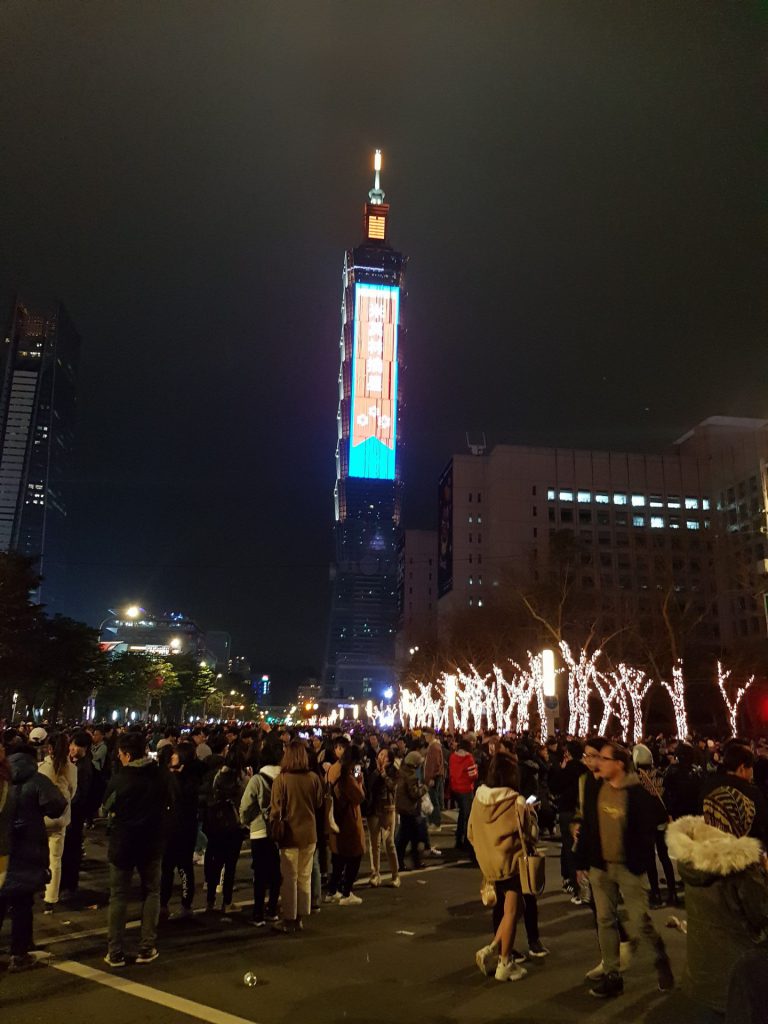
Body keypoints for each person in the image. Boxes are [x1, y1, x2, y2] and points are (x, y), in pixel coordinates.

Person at [575, 741, 674, 999]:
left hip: (629, 867)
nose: (599, 763)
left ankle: (660, 956)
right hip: (601, 866)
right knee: (605, 920)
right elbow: (588, 825)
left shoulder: (638, 793)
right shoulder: (596, 788)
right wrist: (581, 862)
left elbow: (650, 828)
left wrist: (639, 859)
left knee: (640, 920)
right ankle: (612, 974)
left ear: (619, 764)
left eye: (604, 759)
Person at [667, 785, 768, 1017]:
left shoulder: (690, 853)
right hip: (736, 971)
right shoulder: (741, 867)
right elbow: (761, 914)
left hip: (701, 968)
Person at [103, 731, 171, 967]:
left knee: (119, 896)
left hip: (124, 842)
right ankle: (147, 946)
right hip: (152, 842)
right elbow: (170, 802)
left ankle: (115, 951)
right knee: (152, 892)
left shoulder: (120, 779)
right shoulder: (161, 776)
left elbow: (106, 808)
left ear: (128, 755)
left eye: (121, 754)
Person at [469, 752, 535, 983]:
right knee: (512, 911)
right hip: (512, 862)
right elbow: (528, 834)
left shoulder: (479, 797)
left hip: (489, 863)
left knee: (512, 912)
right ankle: (504, 962)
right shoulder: (515, 800)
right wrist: (531, 812)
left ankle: (492, 948)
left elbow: (470, 832)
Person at [0, 743, 66, 971]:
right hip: (28, 849)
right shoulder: (37, 780)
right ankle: (19, 954)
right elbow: (57, 805)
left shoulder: (3, 779)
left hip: (2, 851)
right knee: (22, 904)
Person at [269, 738, 323, 933]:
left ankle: (288, 918)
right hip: (309, 833)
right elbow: (318, 804)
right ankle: (300, 916)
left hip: (289, 834)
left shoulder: (281, 780)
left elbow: (275, 810)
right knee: (304, 876)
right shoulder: (313, 778)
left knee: (289, 877)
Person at [239, 738, 282, 926]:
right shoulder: (284, 778)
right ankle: (273, 909)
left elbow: (245, 806)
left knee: (260, 873)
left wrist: (246, 822)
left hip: (259, 830)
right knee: (275, 872)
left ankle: (258, 914)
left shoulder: (257, 780)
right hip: (279, 830)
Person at [203, 741, 248, 912]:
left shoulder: (218, 777)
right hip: (234, 826)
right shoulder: (242, 780)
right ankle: (227, 902)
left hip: (216, 824)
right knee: (230, 866)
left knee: (216, 862)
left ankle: (210, 901)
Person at [632, 742, 678, 908]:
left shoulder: (636, 777)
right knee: (664, 856)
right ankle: (672, 892)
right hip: (661, 819)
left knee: (650, 858)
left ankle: (656, 893)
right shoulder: (660, 774)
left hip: (645, 823)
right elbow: (668, 796)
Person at [159, 741, 200, 919]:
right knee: (174, 868)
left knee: (178, 868)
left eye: (175, 754)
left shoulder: (182, 778)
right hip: (180, 828)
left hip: (178, 828)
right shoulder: (188, 776)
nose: (172, 756)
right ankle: (172, 904)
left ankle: (178, 904)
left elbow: (177, 798)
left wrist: (173, 775)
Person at [38, 731, 77, 914]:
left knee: (40, 855)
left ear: (50, 748)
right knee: (55, 859)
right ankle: (51, 899)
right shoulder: (72, 769)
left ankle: (38, 885)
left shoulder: (42, 768)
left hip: (43, 817)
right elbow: (73, 792)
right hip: (61, 818)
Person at [699, 742, 768, 845]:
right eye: (750, 768)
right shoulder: (751, 792)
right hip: (743, 852)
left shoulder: (708, 785)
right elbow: (763, 825)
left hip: (711, 848)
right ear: (742, 768)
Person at [549, 739, 588, 901]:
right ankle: (575, 882)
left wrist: (559, 769)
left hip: (566, 811)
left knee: (568, 848)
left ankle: (572, 882)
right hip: (580, 811)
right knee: (577, 847)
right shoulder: (586, 770)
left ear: (568, 753)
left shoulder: (567, 770)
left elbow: (555, 786)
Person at [326, 745, 366, 905]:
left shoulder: (332, 770)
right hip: (349, 819)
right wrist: (360, 782)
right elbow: (360, 797)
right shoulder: (346, 778)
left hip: (335, 818)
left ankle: (332, 890)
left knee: (339, 857)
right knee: (355, 854)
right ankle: (346, 892)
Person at [60, 729, 93, 897]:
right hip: (73, 813)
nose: (73, 748)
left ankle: (69, 885)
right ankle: (67, 883)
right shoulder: (78, 763)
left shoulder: (84, 767)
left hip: (75, 814)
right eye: (72, 744)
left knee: (71, 850)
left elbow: (80, 794)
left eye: (77, 745)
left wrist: (67, 804)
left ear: (85, 747)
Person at [366, 747, 400, 887]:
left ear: (390, 759)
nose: (382, 757)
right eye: (380, 754)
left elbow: (393, 787)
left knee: (389, 843)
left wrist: (384, 774)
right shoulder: (372, 768)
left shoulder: (394, 771)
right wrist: (376, 771)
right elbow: (367, 785)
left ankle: (395, 874)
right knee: (374, 843)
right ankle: (375, 873)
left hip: (387, 809)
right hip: (373, 809)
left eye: (385, 756)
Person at [395, 750, 426, 871]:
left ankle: (413, 861)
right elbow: (414, 794)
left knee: (410, 837)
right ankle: (402, 863)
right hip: (410, 809)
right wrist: (425, 788)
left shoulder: (401, 772)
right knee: (407, 837)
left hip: (403, 808)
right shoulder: (411, 776)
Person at [449, 737, 477, 849]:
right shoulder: (469, 759)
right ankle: (466, 840)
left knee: (461, 815)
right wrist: (476, 769)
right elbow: (473, 775)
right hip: (466, 789)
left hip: (455, 788)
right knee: (467, 817)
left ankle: (458, 839)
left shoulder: (452, 757)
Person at [423, 728, 445, 832]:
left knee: (433, 800)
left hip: (434, 777)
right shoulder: (434, 746)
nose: (425, 737)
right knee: (433, 799)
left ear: (432, 735)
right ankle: (433, 822)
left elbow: (434, 764)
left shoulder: (434, 747)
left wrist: (431, 777)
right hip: (434, 776)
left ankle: (436, 823)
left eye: (426, 735)